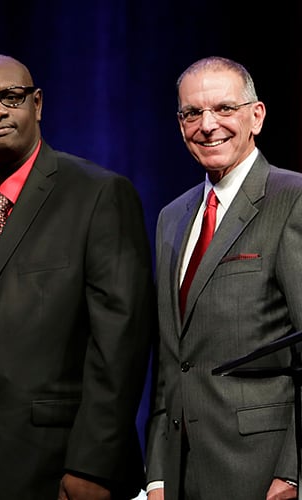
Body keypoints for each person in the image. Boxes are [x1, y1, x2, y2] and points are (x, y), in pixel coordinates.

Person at [0, 53, 156, 499]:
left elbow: (120, 345)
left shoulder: (97, 194)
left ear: (37, 104)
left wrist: (93, 466)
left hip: (55, 467)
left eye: (11, 97)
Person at [146, 56, 302, 500]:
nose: (207, 124)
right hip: (181, 473)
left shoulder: (292, 200)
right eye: (192, 113)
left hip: (263, 472)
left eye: (224, 109)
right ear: (180, 125)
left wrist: (293, 473)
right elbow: (171, 359)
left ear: (257, 116)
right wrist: (157, 474)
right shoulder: (171, 217)